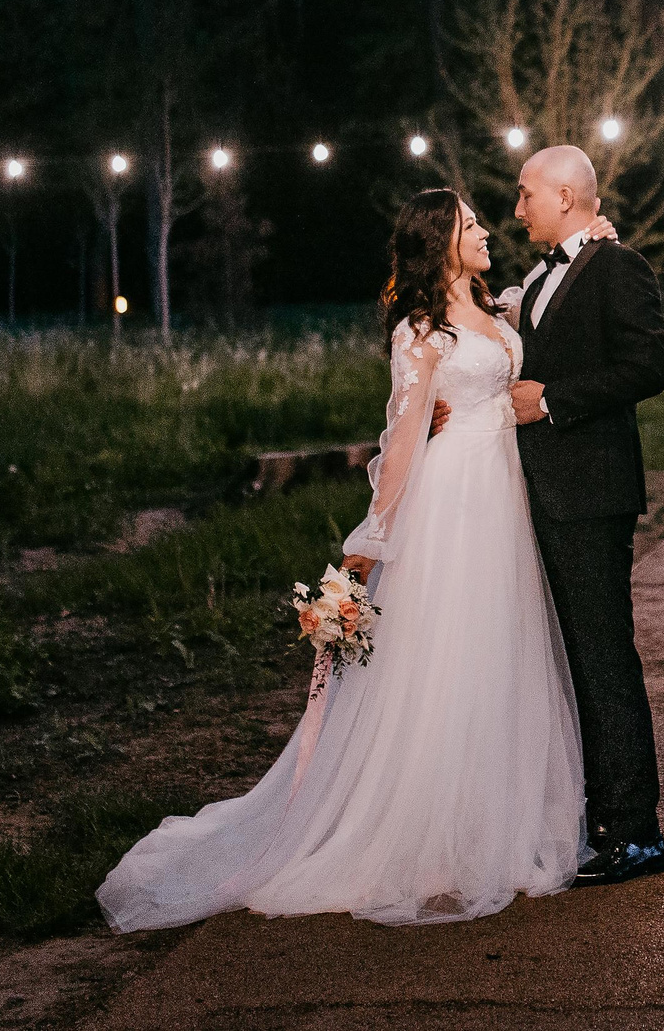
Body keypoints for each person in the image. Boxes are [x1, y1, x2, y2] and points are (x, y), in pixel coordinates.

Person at [96, 190, 585, 929]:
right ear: (440, 240)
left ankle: (490, 821)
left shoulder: (498, 309)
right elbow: (398, 446)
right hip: (452, 507)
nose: (487, 230)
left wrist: (589, 236)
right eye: (471, 224)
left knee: (499, 653)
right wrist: (365, 545)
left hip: (506, 498)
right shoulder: (422, 333)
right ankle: (426, 838)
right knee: (442, 661)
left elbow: (547, 294)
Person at [507, 144, 664, 886]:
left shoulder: (618, 266)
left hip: (592, 495)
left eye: (526, 194)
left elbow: (647, 368)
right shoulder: (539, 277)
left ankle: (636, 832)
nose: (518, 208)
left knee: (605, 659)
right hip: (541, 496)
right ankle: (594, 817)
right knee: (572, 662)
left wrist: (551, 399)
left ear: (568, 195)